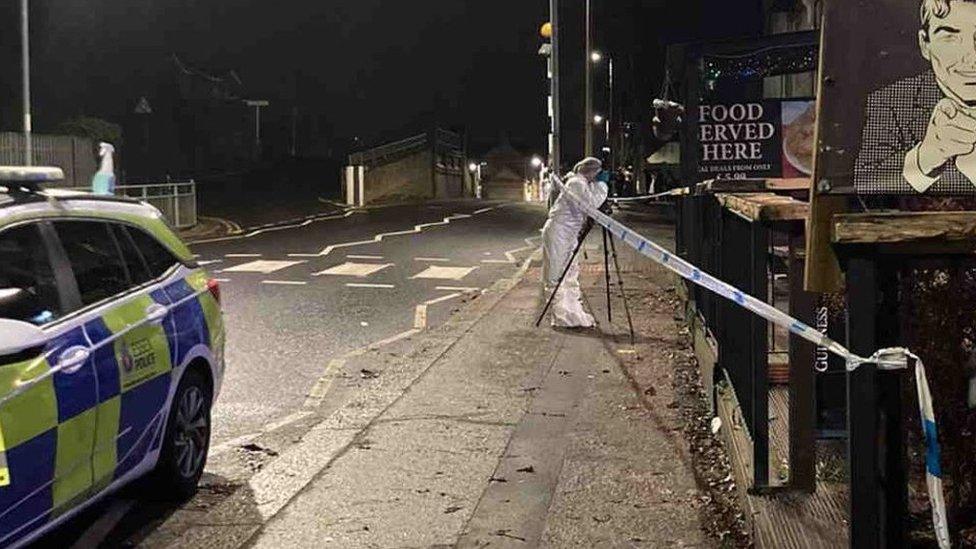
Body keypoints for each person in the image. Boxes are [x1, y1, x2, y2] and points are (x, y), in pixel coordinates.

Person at [855, 0, 976, 194]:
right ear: (925, 44)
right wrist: (925, 157)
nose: (971, 58)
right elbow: (863, 189)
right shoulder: (892, 102)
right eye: (950, 38)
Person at [541, 157, 609, 327]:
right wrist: (602, 185)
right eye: (597, 173)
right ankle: (560, 316)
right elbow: (590, 204)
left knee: (570, 273)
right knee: (556, 275)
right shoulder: (577, 183)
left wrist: (596, 185)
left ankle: (572, 313)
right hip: (559, 232)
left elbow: (588, 199)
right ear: (592, 172)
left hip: (568, 234)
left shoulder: (580, 183)